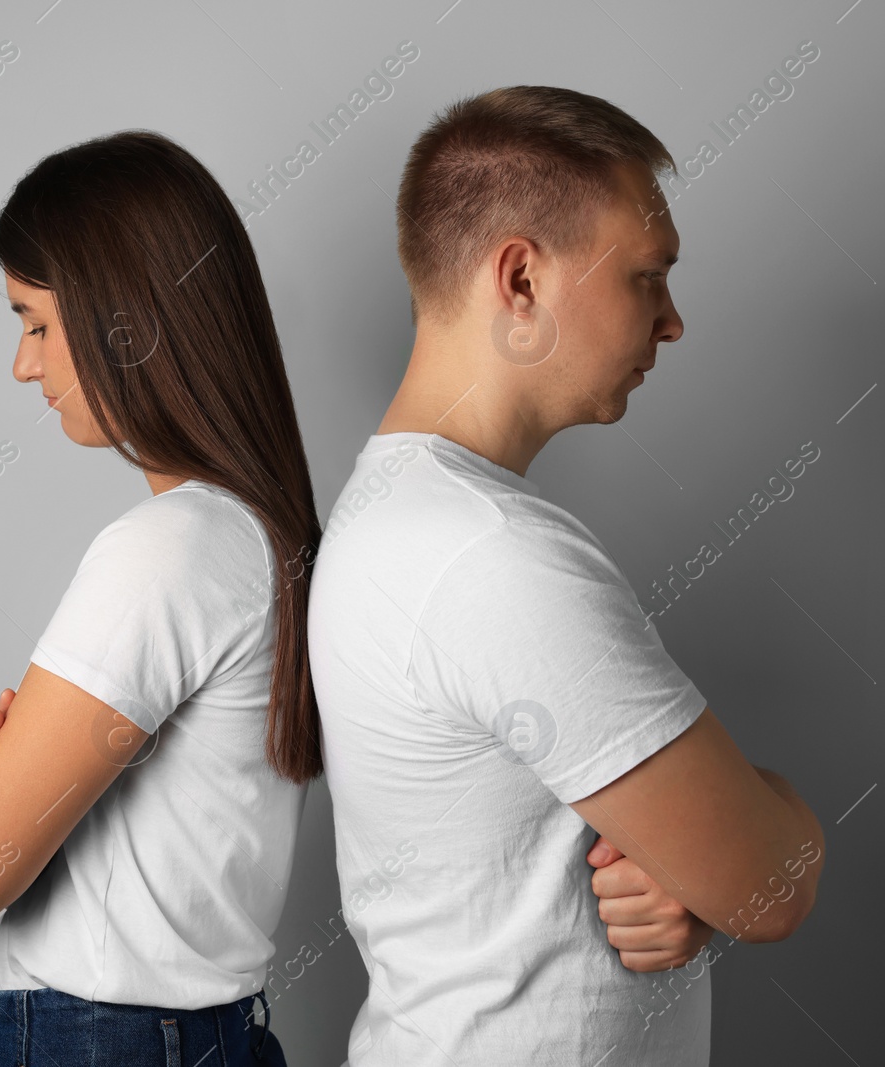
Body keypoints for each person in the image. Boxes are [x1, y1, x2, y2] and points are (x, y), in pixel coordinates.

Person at [307, 86, 827, 1064]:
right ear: (520, 280)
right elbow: (769, 886)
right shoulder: (489, 552)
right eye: (646, 275)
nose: (671, 321)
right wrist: (787, 817)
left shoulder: (396, 513)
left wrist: (693, 882)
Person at [0, 129, 321, 1067]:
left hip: (93, 1040)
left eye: (38, 323)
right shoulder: (261, 539)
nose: (23, 365)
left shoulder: (168, 551)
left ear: (127, 317)